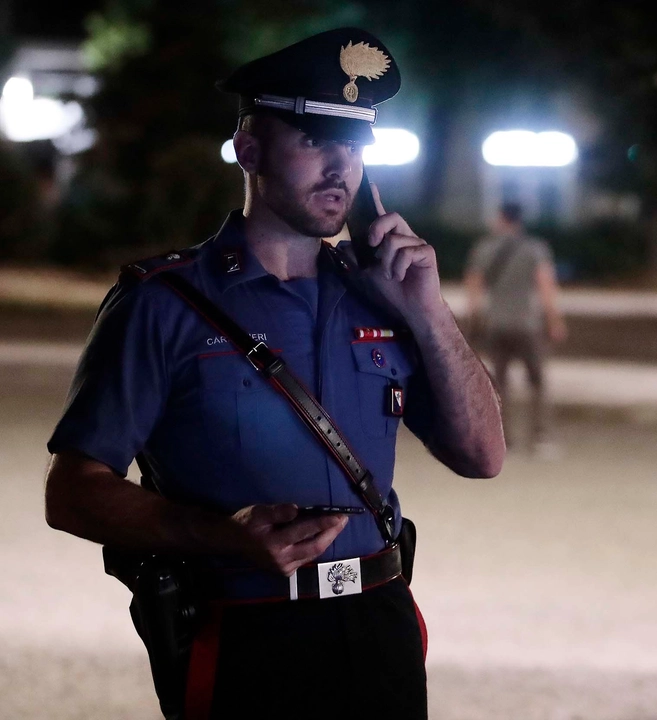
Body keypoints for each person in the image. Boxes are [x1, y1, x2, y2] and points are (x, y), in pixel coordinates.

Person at [42, 28, 505, 720]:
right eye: (316, 140)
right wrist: (215, 534)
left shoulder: (380, 294)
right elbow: (73, 494)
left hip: (379, 624)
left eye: (354, 146)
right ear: (251, 150)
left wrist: (432, 312)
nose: (340, 167)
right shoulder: (162, 304)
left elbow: (483, 456)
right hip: (245, 635)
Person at [464, 202, 568, 457]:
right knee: (538, 381)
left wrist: (475, 316)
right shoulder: (536, 248)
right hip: (527, 324)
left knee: (499, 384)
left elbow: (474, 284)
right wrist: (554, 320)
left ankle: (503, 439)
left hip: (496, 323)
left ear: (501, 218)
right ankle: (541, 437)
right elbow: (545, 285)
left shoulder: (485, 248)